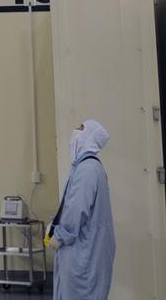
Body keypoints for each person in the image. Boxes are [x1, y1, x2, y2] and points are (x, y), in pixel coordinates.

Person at [49, 119, 115, 300]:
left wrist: (59, 235)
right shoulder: (87, 167)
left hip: (83, 257)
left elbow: (76, 212)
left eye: (80, 129)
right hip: (85, 252)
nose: (74, 133)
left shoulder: (87, 169)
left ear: (88, 137)